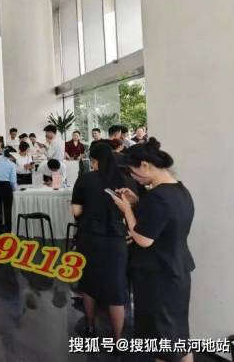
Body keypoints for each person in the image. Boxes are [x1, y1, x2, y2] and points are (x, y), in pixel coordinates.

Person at [111, 139, 195, 362]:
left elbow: (143, 239)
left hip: (159, 276)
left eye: (133, 171)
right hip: (176, 271)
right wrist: (137, 202)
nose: (133, 177)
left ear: (146, 165)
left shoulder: (159, 197)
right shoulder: (179, 190)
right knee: (178, 338)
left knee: (162, 343)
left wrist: (127, 210)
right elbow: (161, 222)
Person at [70, 142, 138, 339]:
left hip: (89, 239)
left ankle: (91, 327)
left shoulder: (84, 179)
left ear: (94, 161)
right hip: (117, 241)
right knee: (116, 289)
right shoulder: (126, 181)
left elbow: (76, 211)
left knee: (89, 284)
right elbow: (133, 210)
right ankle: (118, 339)